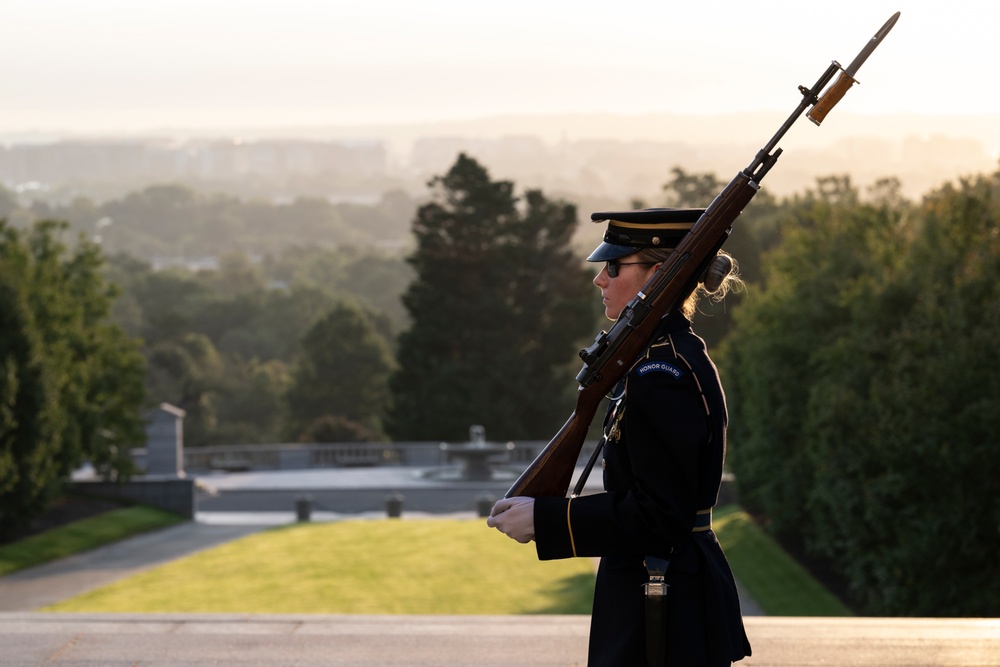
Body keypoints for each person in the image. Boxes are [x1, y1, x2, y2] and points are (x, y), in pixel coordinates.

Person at [487, 208, 752, 666]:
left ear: (661, 272)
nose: (600, 279)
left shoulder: (660, 373)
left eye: (614, 266)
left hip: (664, 605)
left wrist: (548, 519)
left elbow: (660, 516)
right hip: (658, 593)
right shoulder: (660, 358)